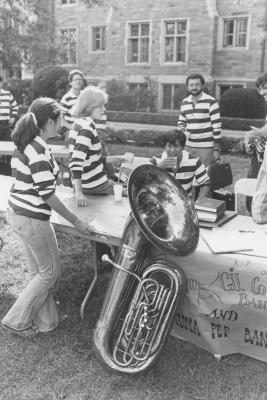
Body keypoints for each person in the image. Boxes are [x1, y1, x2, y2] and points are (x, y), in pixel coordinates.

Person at [2, 97, 93, 338]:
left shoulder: (26, 144)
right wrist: (77, 221)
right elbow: (48, 195)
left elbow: (24, 180)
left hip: (17, 213)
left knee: (39, 271)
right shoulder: (39, 149)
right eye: (60, 119)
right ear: (50, 122)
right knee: (50, 272)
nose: (62, 124)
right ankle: (16, 320)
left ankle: (47, 322)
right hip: (32, 218)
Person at [69, 85, 127, 206]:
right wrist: (78, 193)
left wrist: (119, 158)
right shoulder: (88, 127)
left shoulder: (78, 123)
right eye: (101, 106)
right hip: (96, 185)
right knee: (133, 193)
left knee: (121, 184)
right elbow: (76, 161)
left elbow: (90, 159)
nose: (104, 109)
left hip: (88, 184)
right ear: (90, 107)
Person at [149, 130, 211, 200]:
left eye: (176, 146)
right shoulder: (156, 160)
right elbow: (142, 179)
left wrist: (198, 204)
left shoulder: (194, 160)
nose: (172, 150)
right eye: (169, 146)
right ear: (164, 147)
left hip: (185, 204)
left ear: (183, 147)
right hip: (162, 202)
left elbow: (206, 183)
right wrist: (158, 168)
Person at [177, 73, 221, 168]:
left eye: (197, 84)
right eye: (191, 85)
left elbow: (217, 127)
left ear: (202, 85)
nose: (194, 87)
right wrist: (182, 130)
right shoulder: (185, 102)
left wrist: (216, 149)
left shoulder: (211, 101)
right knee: (188, 173)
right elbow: (181, 122)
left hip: (206, 148)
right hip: (188, 146)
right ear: (187, 87)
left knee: (204, 176)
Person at [0, 75, 18, 174]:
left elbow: (15, 106)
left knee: (8, 148)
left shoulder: (7, 94)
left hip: (5, 126)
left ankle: (8, 170)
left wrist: (13, 117)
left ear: (1, 83)